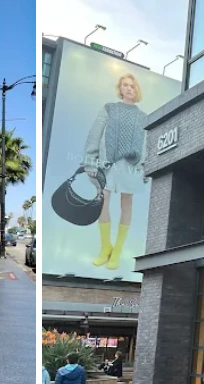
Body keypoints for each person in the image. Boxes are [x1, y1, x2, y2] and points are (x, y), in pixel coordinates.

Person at [83, 73, 148, 271]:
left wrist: (145, 168)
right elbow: (95, 134)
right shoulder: (109, 109)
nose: (129, 89)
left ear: (137, 91)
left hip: (131, 165)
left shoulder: (143, 116)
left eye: (132, 86)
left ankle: (117, 250)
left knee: (126, 204)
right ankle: (105, 248)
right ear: (120, 89)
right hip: (107, 163)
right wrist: (90, 162)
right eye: (125, 85)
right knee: (102, 201)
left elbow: (147, 144)